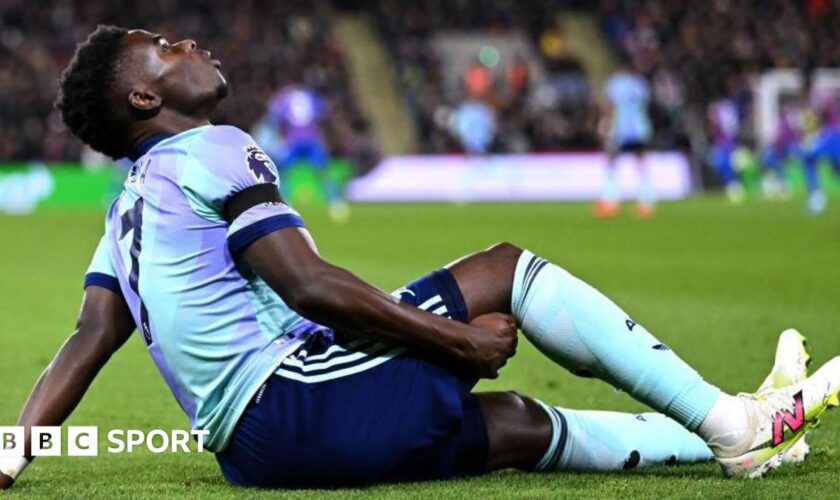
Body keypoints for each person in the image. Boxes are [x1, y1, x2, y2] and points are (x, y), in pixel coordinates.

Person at [2, 26, 839, 490]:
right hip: (296, 401)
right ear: (145, 97)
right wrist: (455, 341)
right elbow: (310, 285)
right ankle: (737, 424)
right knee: (504, 267)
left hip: (255, 455)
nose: (185, 41)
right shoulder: (214, 148)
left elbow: (88, 338)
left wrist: (15, 447)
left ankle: (730, 429)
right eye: (161, 45)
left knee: (511, 426)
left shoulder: (127, 207)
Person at [595, 59, 655, 218]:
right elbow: (645, 104)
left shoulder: (616, 83)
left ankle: (610, 202)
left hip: (621, 128)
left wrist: (606, 125)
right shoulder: (640, 83)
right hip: (640, 128)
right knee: (640, 162)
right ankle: (647, 202)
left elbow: (610, 106)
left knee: (611, 162)